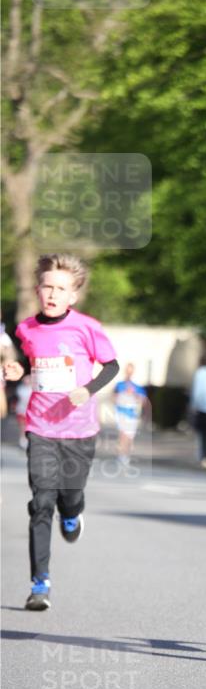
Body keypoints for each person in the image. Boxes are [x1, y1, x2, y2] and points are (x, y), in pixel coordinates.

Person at [2, 254, 119, 611]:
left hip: (79, 430)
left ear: (74, 296)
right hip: (40, 427)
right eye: (47, 287)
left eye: (61, 289)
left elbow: (111, 365)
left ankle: (72, 514)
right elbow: (28, 362)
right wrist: (15, 369)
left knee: (69, 496)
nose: (52, 294)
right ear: (38, 290)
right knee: (40, 502)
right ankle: (40, 583)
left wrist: (88, 389)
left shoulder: (86, 327)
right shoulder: (26, 329)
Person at [113, 362, 148, 465]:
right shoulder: (119, 385)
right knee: (123, 435)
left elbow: (143, 401)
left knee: (129, 437)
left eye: (131, 370)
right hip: (121, 413)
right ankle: (121, 455)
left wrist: (135, 395)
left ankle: (126, 454)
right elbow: (113, 397)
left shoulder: (137, 387)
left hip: (132, 415)